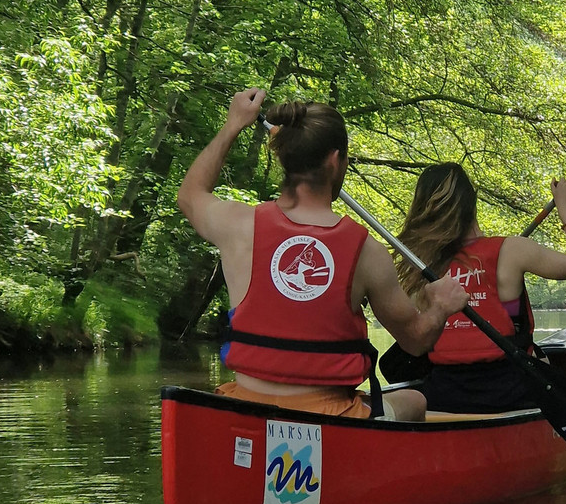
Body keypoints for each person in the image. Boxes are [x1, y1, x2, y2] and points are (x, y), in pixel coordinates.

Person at [177, 89, 469, 421]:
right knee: (414, 401)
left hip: (247, 408)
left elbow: (190, 195)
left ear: (283, 157)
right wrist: (441, 306)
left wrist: (233, 125)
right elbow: (417, 341)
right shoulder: (367, 252)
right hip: (331, 416)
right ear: (335, 161)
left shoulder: (239, 224)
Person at [395, 162, 566, 413]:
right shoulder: (512, 250)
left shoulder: (419, 267)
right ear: (473, 202)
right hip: (510, 390)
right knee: (542, 363)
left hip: (445, 394)